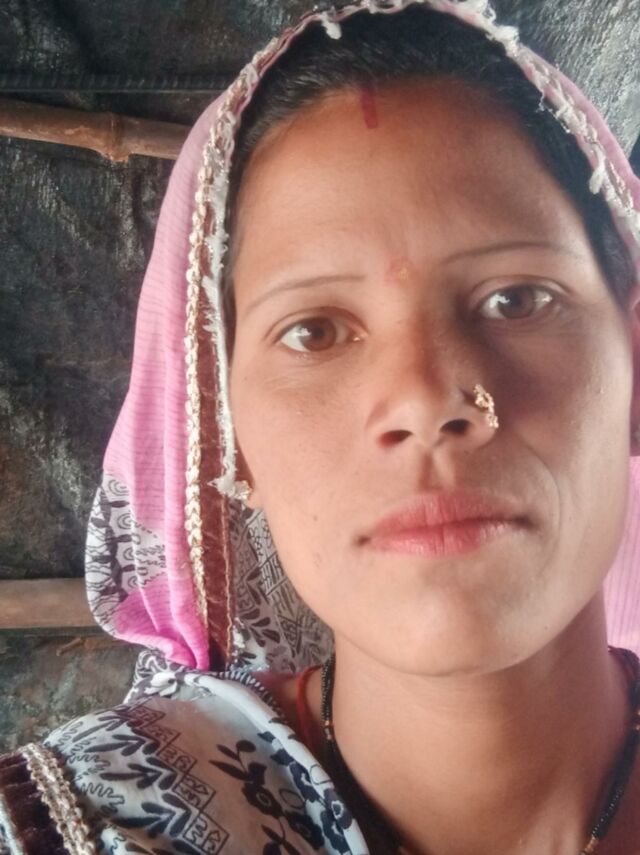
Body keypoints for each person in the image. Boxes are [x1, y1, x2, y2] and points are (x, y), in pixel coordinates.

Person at [2, 0, 640, 852]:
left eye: (516, 299)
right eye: (313, 331)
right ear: (228, 434)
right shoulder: (92, 826)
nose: (425, 400)